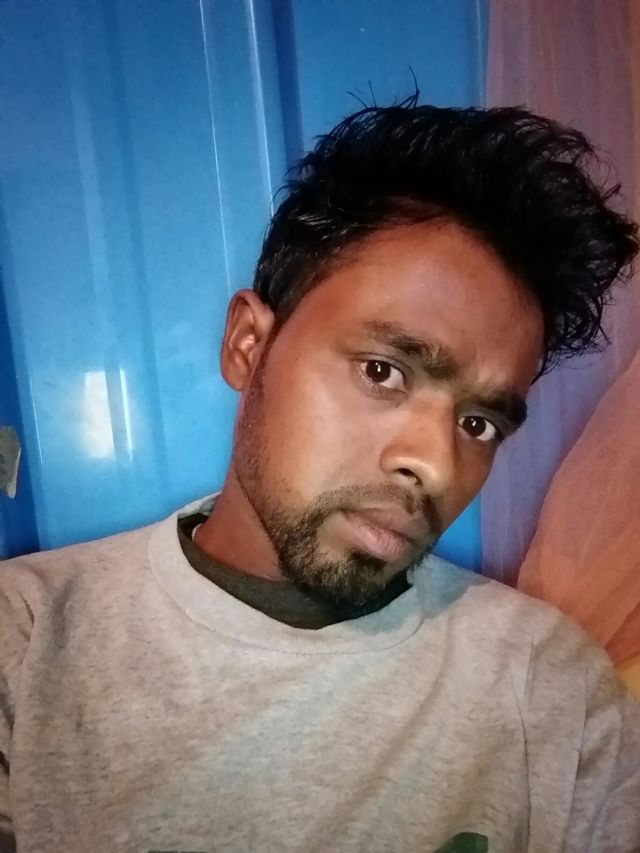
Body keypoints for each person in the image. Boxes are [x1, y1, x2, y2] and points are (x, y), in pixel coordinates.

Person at [1, 99, 639, 853]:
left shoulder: (550, 689)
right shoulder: (25, 640)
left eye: (479, 424)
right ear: (248, 345)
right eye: (383, 371)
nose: (435, 465)